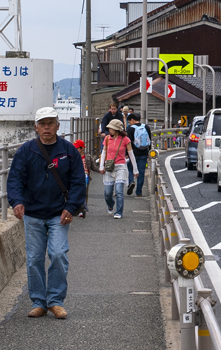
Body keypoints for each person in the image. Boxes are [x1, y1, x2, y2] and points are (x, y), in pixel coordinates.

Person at [7, 107, 86, 319]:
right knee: (34, 259)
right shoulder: (26, 151)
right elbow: (15, 179)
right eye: (42, 123)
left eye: (50, 123)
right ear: (36, 127)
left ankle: (56, 301)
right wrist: (16, 202)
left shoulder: (69, 151)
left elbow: (79, 182)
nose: (46, 127)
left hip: (59, 214)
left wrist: (71, 207)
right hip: (32, 213)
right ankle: (38, 302)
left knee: (58, 254)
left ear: (58, 126)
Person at [99, 119, 138, 218]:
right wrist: (101, 166)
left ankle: (119, 212)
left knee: (119, 191)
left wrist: (135, 169)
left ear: (117, 129)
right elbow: (103, 152)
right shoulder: (107, 138)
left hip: (121, 167)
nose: (109, 130)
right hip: (109, 166)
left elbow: (131, 154)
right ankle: (110, 205)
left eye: (111, 128)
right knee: (107, 193)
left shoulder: (125, 139)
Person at [126, 113, 152, 196]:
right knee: (141, 172)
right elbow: (149, 140)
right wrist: (149, 151)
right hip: (144, 153)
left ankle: (131, 182)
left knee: (130, 169)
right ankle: (139, 192)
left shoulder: (130, 129)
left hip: (132, 153)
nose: (129, 123)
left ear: (133, 120)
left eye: (129, 121)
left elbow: (127, 142)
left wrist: (126, 153)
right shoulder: (146, 127)